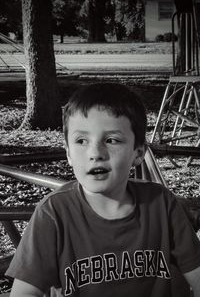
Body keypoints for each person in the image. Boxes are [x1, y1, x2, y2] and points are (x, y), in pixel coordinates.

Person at [6, 83, 200, 297]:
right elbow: (23, 293)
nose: (95, 152)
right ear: (69, 153)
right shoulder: (54, 213)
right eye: (81, 141)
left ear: (138, 153)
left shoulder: (161, 203)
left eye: (111, 140)